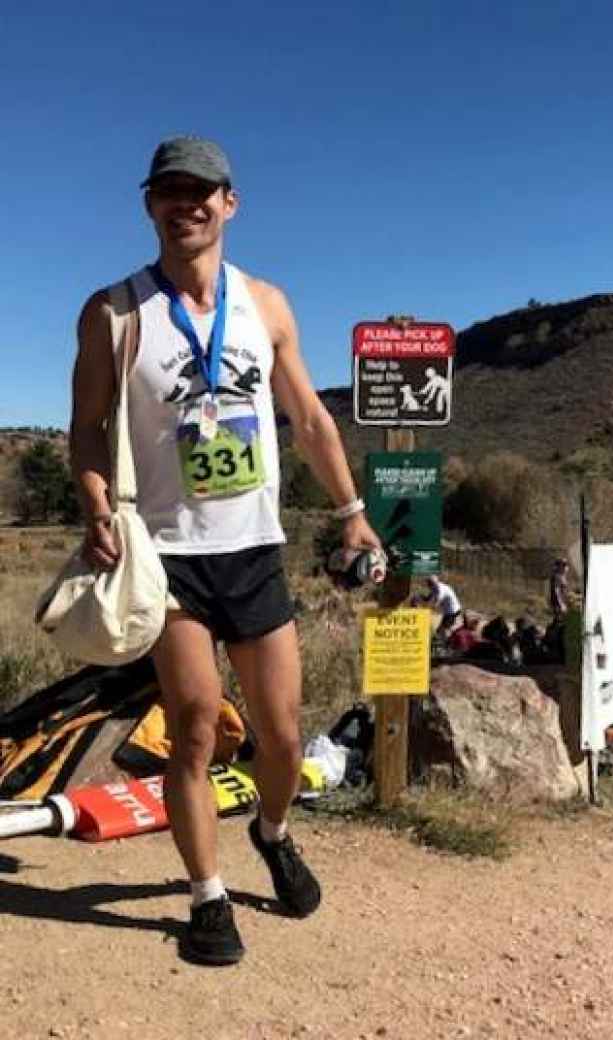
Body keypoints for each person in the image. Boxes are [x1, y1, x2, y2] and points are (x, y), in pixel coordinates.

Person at [69, 137, 382, 966]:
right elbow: (86, 430)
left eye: (202, 193)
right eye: (170, 193)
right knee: (198, 725)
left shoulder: (267, 305)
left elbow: (310, 419)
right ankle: (207, 897)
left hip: (252, 549)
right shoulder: (114, 312)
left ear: (230, 204)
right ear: (149, 206)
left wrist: (352, 510)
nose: (187, 206)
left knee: (281, 739)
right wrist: (97, 504)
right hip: (165, 556)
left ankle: (272, 834)